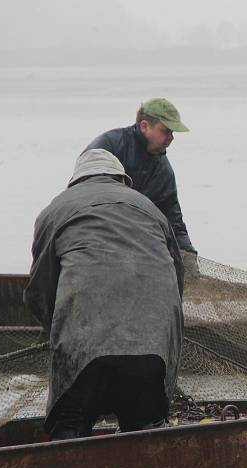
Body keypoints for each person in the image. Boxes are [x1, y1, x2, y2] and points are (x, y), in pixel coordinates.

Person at [23, 149, 184, 440]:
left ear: (74, 181)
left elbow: (39, 290)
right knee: (145, 434)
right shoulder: (149, 208)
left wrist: (57, 331)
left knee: (69, 429)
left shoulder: (55, 209)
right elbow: (177, 281)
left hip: (83, 353)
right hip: (151, 351)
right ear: (122, 179)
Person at [84, 98, 197, 255]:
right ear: (145, 126)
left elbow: (174, 221)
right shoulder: (108, 146)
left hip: (135, 241)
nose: (171, 137)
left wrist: (187, 253)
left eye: (172, 132)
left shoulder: (164, 171)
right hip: (93, 232)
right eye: (166, 131)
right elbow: (84, 194)